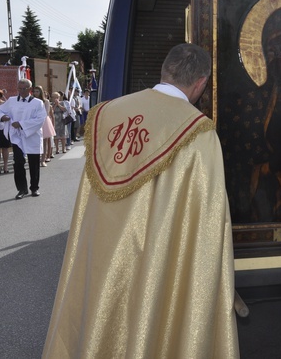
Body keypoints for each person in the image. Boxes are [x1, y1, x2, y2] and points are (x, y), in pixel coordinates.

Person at [43, 43, 239, 358]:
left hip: (101, 256)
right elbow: (208, 220)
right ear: (201, 83)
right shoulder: (198, 132)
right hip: (155, 263)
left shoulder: (106, 113)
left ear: (164, 70)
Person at [0, 78, 47, 199]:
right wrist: (3, 117)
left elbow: (40, 119)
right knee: (18, 162)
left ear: (30, 89)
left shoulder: (38, 103)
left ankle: (34, 188)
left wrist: (21, 124)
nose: (21, 91)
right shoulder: (11, 101)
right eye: (19, 89)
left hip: (32, 135)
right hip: (16, 136)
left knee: (34, 163)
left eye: (24, 89)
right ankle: (22, 189)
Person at [32, 86, 55, 167]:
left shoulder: (46, 101)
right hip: (34, 122)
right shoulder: (31, 101)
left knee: (44, 142)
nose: (35, 93)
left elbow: (46, 112)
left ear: (41, 92)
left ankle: (43, 160)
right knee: (35, 142)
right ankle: (35, 159)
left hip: (44, 121)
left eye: (37, 91)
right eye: (34, 91)